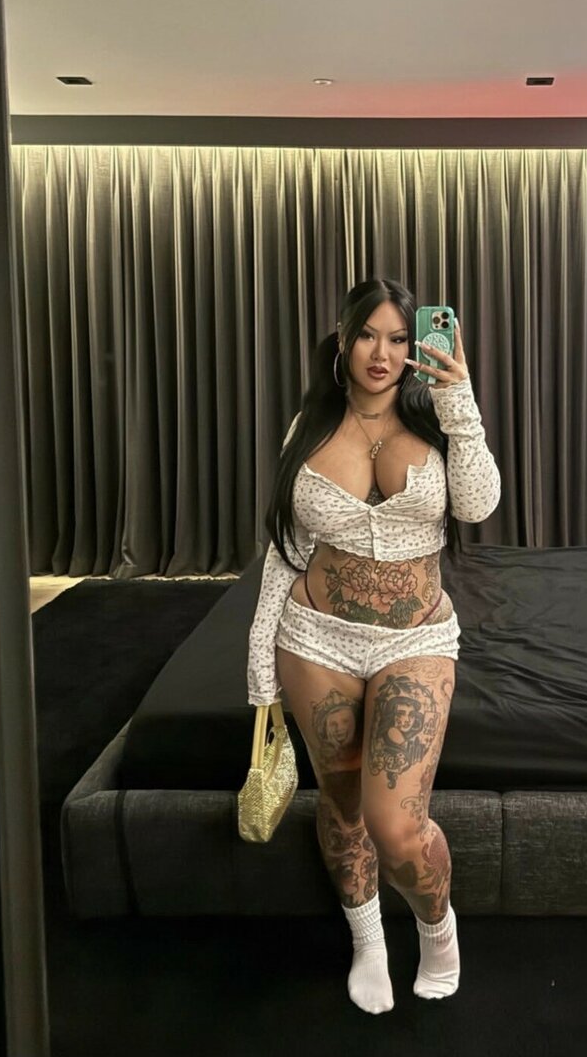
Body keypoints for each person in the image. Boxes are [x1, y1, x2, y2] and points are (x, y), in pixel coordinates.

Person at [246, 277, 500, 1013]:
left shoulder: (435, 417)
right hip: (314, 639)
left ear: (415, 345)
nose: (381, 353)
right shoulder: (310, 426)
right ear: (342, 338)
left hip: (415, 639)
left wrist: (458, 397)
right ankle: (368, 942)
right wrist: (260, 660)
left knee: (397, 825)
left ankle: (437, 928)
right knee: (341, 801)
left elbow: (478, 504)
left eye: (397, 338)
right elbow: (286, 550)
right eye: (367, 335)